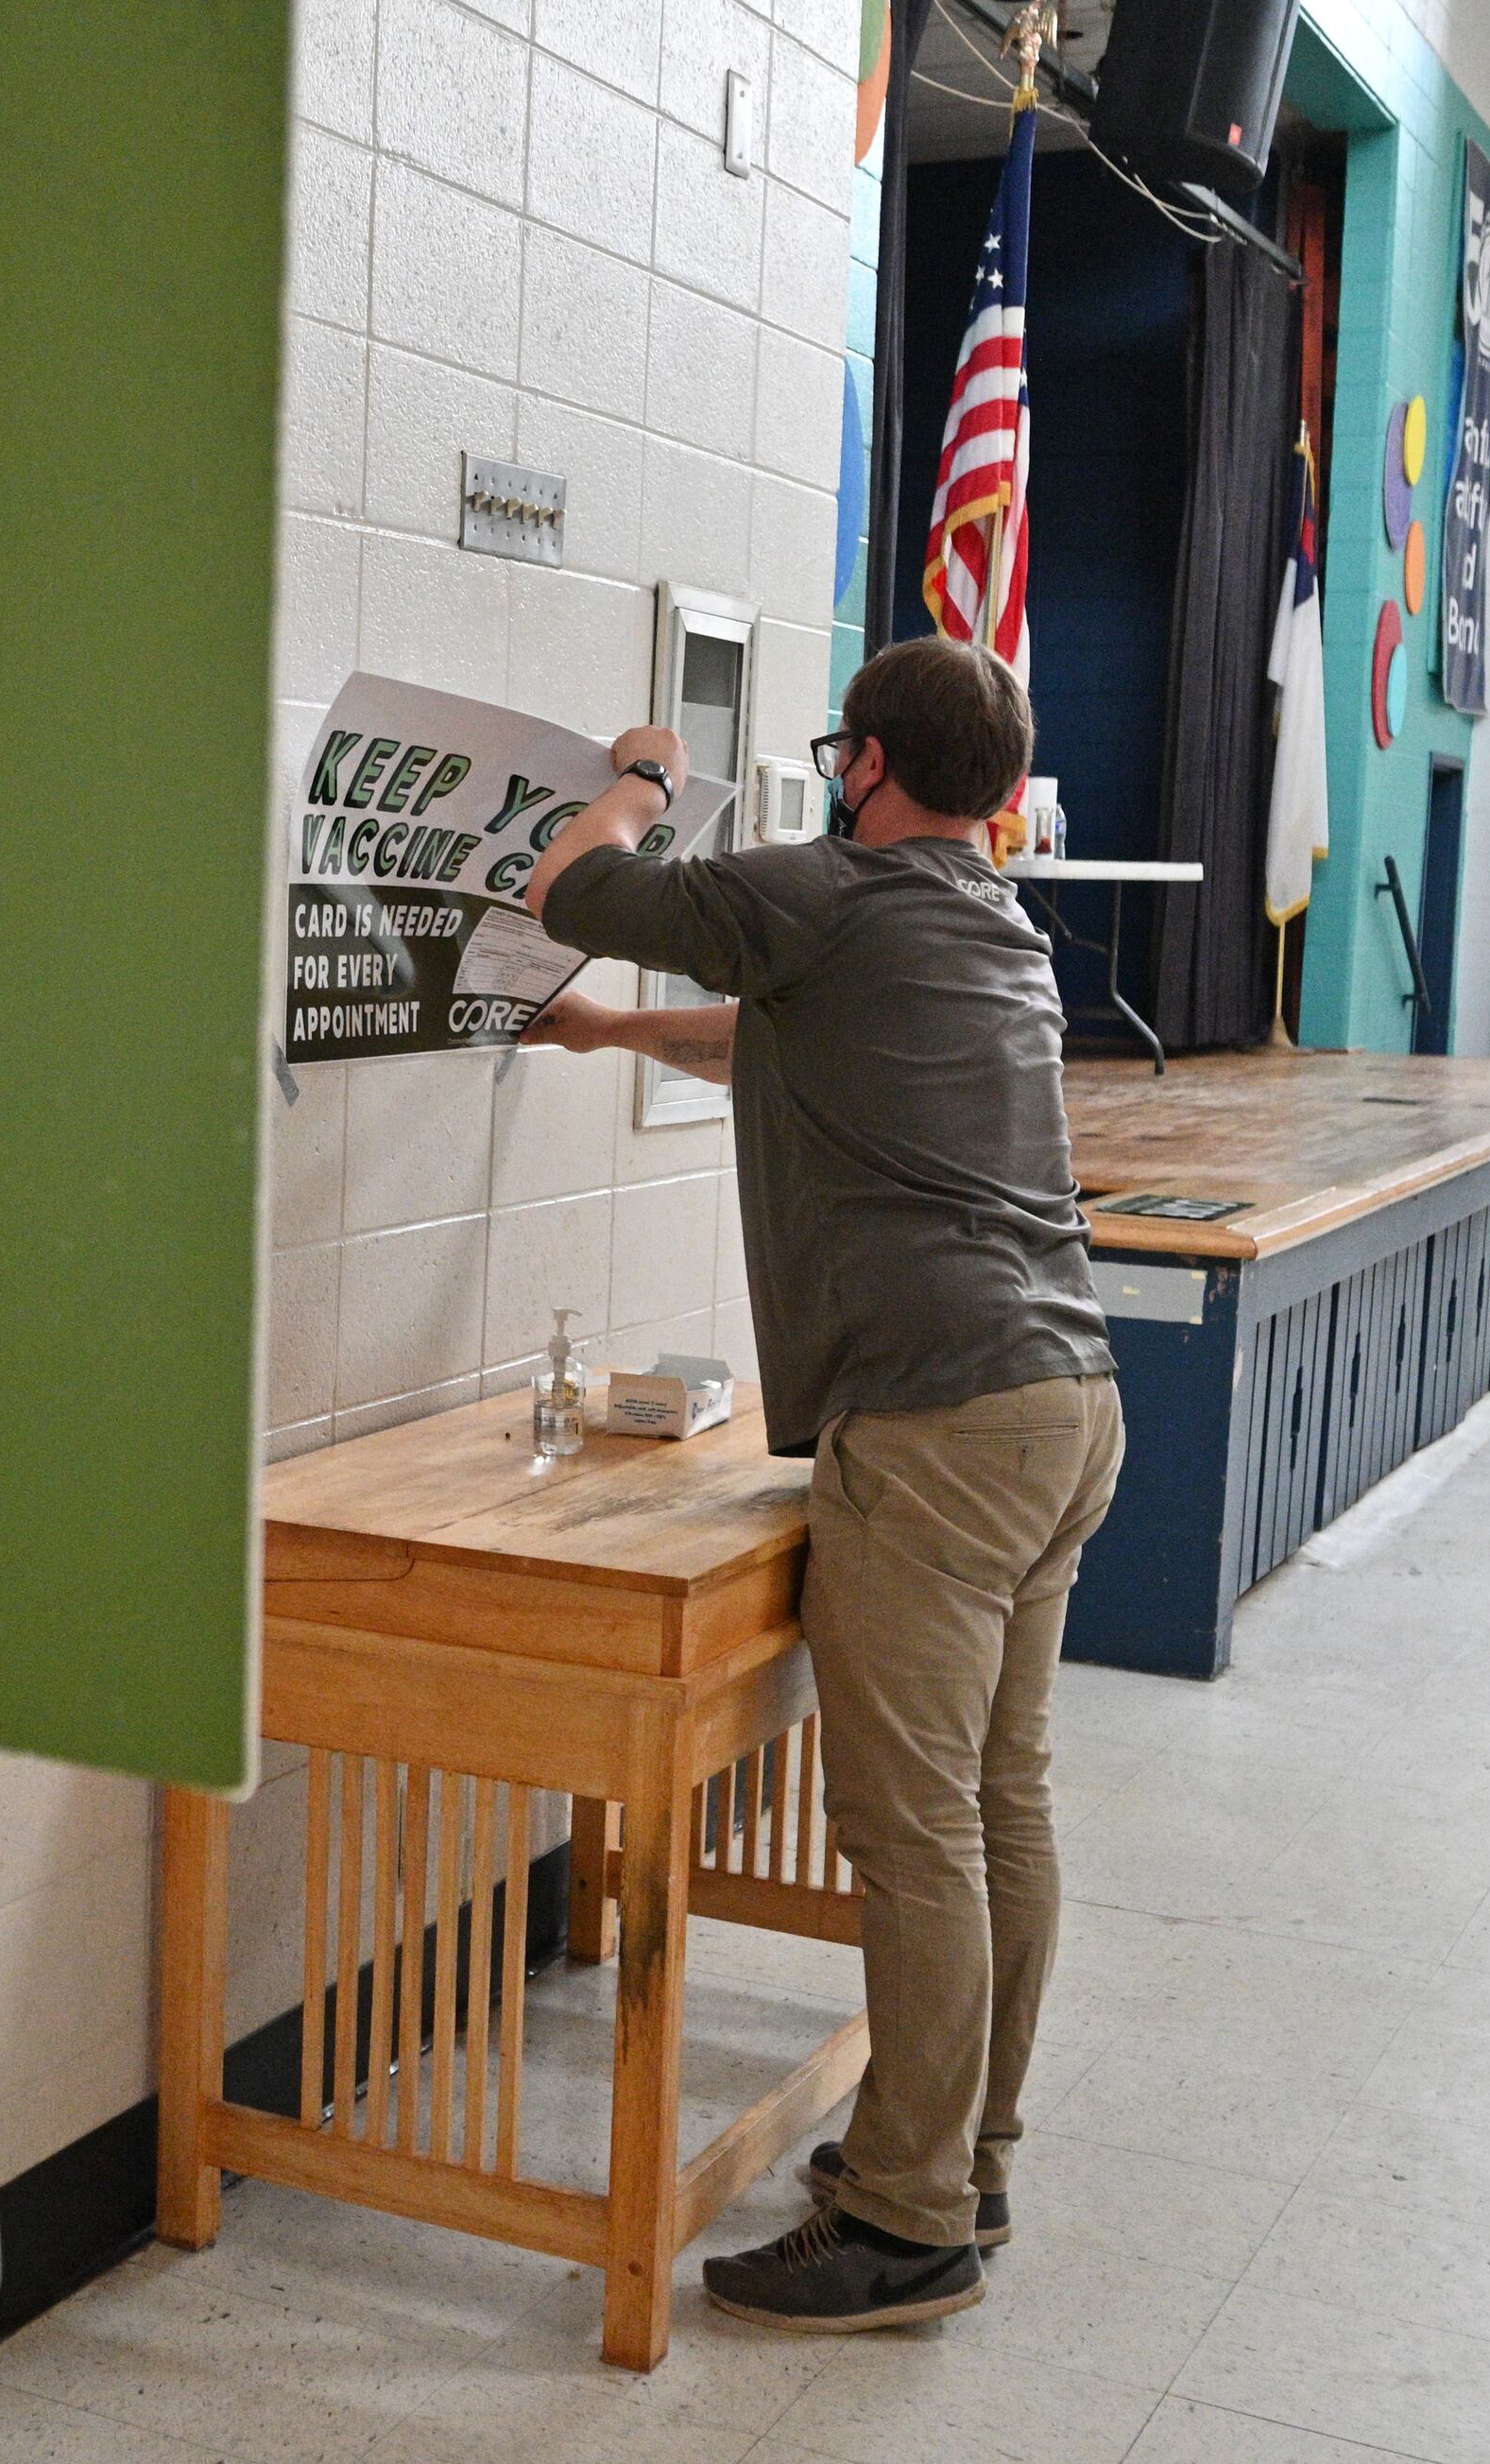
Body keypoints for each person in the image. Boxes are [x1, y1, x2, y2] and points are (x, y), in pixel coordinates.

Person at [522, 635, 1122, 2335]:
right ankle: (962, 2157)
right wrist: (621, 1040)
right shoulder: (988, 926)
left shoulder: (829, 893)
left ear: (862, 762)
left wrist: (640, 774)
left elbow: (578, 885)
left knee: (915, 1827)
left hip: (933, 1428)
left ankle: (910, 2219)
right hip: (1059, 1401)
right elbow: (785, 1037)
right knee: (1001, 1802)